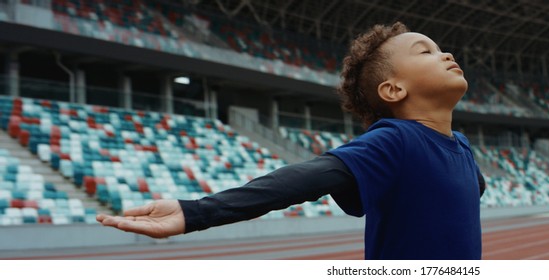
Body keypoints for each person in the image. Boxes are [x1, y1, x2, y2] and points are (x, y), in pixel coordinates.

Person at [97, 22, 486, 260]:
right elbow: (307, 177)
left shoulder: (462, 148)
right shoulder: (396, 141)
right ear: (393, 88)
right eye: (427, 51)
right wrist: (196, 212)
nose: (446, 53)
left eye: (440, 48)